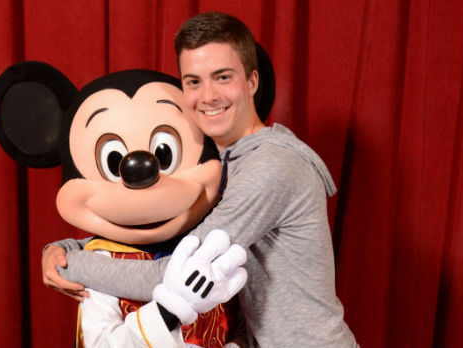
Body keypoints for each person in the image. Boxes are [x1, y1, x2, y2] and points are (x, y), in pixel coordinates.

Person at [44, 11, 357, 347]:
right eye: (194, 81)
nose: (208, 96)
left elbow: (175, 276)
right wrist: (61, 248)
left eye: (223, 77)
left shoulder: (271, 166)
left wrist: (71, 264)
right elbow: (168, 234)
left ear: (252, 81)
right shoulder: (225, 162)